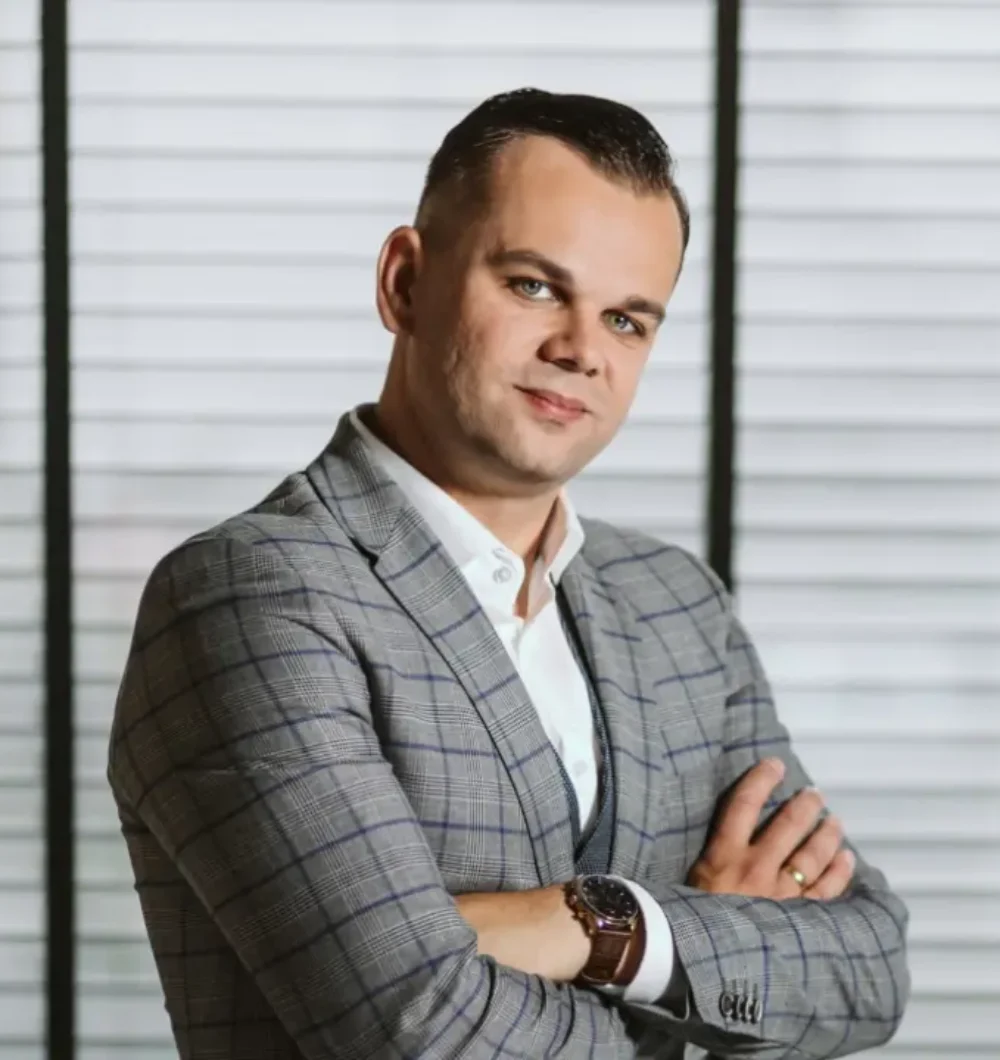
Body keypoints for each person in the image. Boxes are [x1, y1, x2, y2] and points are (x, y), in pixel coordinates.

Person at [109, 88, 910, 1059]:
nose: (580, 351)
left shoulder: (677, 605)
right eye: (533, 286)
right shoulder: (248, 597)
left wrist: (605, 928)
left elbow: (870, 967)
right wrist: (707, 957)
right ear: (405, 282)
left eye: (626, 320)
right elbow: (420, 1028)